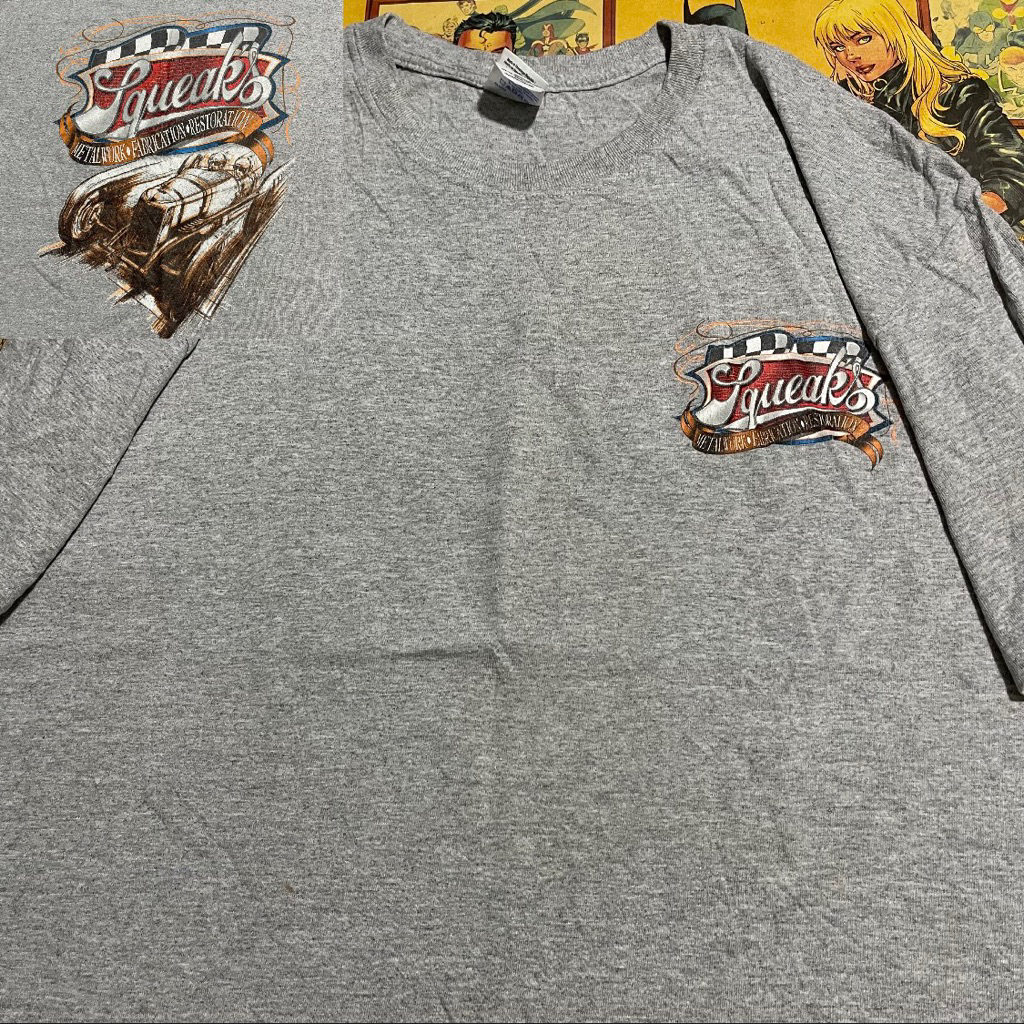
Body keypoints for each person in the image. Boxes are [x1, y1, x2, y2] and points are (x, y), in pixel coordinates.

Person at [814, 0, 1024, 236]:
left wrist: (955, 220)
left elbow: (1014, 174)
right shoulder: (839, 101)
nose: (851, 55)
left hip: (959, 237)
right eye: (838, 47)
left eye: (863, 39)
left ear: (895, 33)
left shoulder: (958, 94)